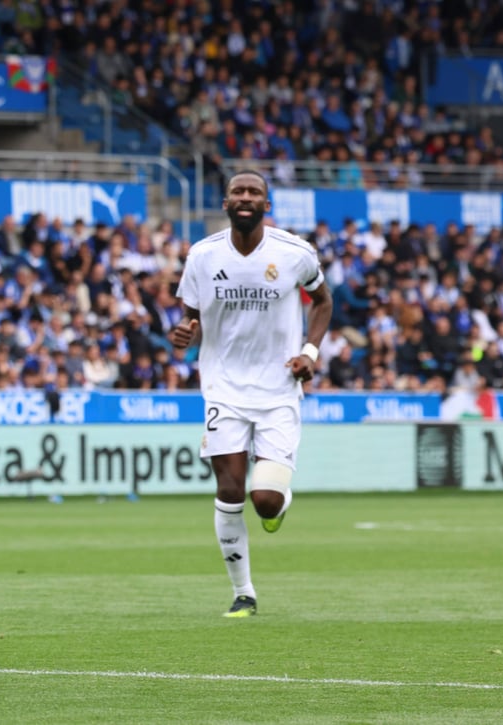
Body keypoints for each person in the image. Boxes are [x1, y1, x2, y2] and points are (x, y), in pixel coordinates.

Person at [168, 170, 333, 617]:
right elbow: (191, 314)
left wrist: (310, 352)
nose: (245, 198)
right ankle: (244, 592)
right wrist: (186, 332)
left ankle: (278, 501)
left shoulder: (294, 253)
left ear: (267, 204)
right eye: (238, 191)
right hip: (223, 386)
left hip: (279, 387)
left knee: (265, 501)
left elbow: (323, 301)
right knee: (230, 489)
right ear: (225, 203)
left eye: (254, 192)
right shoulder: (202, 255)